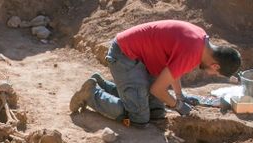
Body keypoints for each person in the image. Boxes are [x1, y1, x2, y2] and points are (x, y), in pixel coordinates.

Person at [69, 20, 241, 127]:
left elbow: (174, 70)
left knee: (157, 112)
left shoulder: (201, 41)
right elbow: (157, 90)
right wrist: (178, 106)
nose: (211, 74)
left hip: (142, 58)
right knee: (139, 118)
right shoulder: (192, 52)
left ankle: (102, 84)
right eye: (214, 73)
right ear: (216, 66)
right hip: (124, 54)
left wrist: (180, 96)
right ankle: (91, 94)